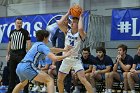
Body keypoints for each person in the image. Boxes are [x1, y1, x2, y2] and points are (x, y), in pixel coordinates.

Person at [57, 8, 93, 93]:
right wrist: (68, 13)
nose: (71, 23)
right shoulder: (67, 31)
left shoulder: (81, 34)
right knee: (59, 80)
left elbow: (80, 29)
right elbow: (59, 23)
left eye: (74, 22)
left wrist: (80, 16)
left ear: (78, 24)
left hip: (76, 60)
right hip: (66, 59)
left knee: (83, 80)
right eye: (71, 22)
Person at [47, 18, 72, 93]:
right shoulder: (58, 29)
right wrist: (54, 45)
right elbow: (53, 38)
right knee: (58, 70)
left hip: (68, 51)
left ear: (68, 21)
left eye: (66, 20)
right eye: (63, 20)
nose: (65, 21)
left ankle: (67, 89)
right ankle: (59, 89)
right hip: (59, 51)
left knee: (68, 71)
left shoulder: (71, 30)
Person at [7, 17, 31, 93]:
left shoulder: (25, 32)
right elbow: (9, 43)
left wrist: (29, 55)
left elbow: (29, 43)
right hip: (13, 54)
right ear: (15, 23)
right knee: (12, 73)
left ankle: (26, 90)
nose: (19, 24)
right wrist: (8, 54)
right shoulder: (12, 32)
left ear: (22, 23)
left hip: (21, 54)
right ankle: (10, 90)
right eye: (18, 23)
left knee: (23, 72)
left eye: (20, 23)